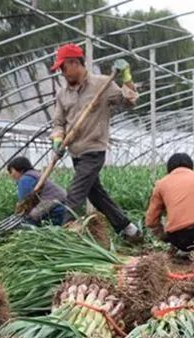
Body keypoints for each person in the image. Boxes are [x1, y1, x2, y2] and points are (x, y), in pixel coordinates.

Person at [50, 43, 141, 240]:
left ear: (75, 63)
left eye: (63, 68)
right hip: (75, 151)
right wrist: (57, 139)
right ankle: (129, 229)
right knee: (97, 196)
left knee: (75, 192)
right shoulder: (62, 93)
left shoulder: (102, 84)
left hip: (94, 149)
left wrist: (127, 78)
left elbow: (129, 101)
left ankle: (62, 237)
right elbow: (58, 122)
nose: (63, 73)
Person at [145, 153, 194, 252]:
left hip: (182, 239)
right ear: (191, 166)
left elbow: (151, 221)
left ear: (169, 168)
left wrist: (162, 234)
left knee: (172, 227)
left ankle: (176, 248)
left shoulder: (161, 184)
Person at [6, 156, 70, 226]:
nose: (11, 175)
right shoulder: (35, 174)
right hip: (65, 205)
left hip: (54, 207)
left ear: (20, 169)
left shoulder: (25, 179)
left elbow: (23, 202)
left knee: (28, 221)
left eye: (11, 171)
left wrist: (18, 213)